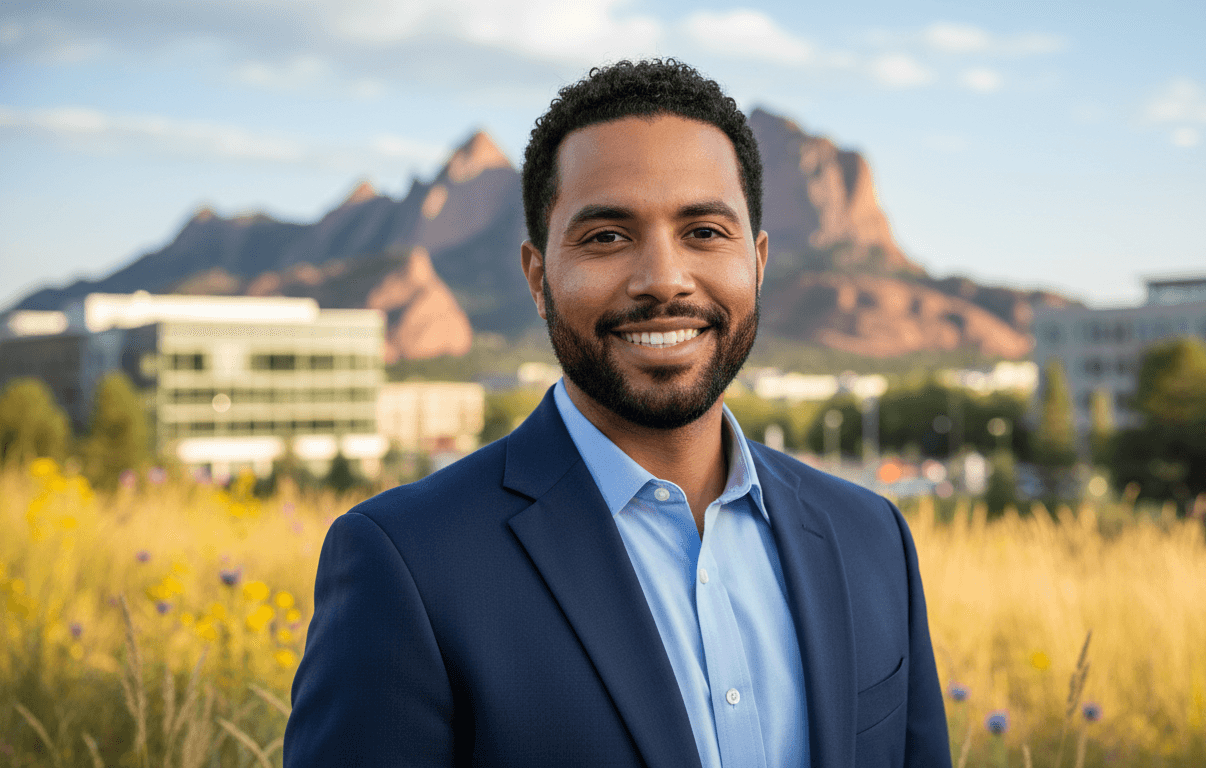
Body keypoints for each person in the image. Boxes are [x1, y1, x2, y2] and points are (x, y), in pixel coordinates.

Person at [285, 59, 951, 768]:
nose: (663, 280)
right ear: (538, 278)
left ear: (757, 263)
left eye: (704, 231)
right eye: (607, 237)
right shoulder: (407, 563)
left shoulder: (871, 536)